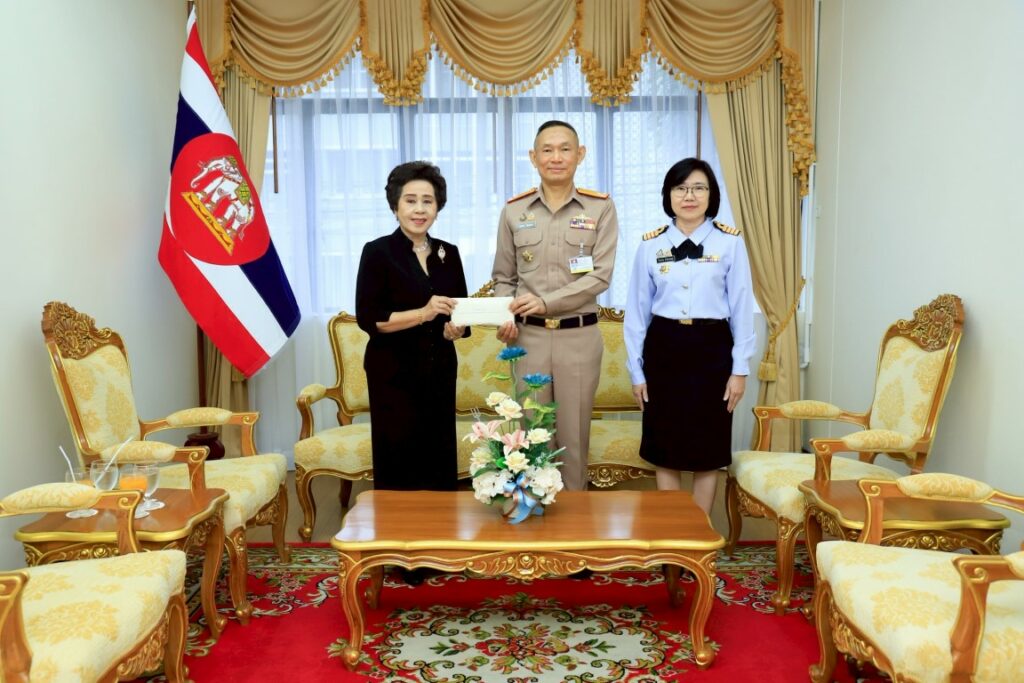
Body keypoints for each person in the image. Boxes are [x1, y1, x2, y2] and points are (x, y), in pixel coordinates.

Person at [491, 120, 619, 491]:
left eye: (565, 149)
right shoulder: (514, 211)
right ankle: (533, 513)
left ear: (580, 155)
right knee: (531, 434)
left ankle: (575, 516)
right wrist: (503, 314)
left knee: (573, 437)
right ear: (534, 157)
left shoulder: (600, 207)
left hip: (578, 337)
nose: (556, 157)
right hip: (527, 339)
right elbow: (503, 277)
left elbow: (600, 277)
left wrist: (545, 302)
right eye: (547, 150)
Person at [624, 158, 755, 516]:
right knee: (665, 445)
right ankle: (672, 532)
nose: (689, 196)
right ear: (668, 195)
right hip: (664, 347)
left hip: (713, 349)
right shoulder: (650, 246)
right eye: (680, 188)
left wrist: (740, 369)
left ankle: (699, 532)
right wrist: (636, 371)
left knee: (707, 447)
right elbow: (636, 313)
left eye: (699, 188)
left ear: (711, 196)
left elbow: (742, 308)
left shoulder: (730, 243)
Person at [355, 161, 468, 492]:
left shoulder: (449, 253)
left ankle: (441, 524)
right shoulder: (377, 252)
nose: (420, 209)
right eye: (411, 200)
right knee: (398, 460)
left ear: (438, 207)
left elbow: (458, 313)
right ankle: (395, 525)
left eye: (427, 201)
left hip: (440, 369)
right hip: (393, 373)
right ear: (395, 206)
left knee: (439, 458)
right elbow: (370, 318)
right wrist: (423, 313)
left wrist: (454, 329)